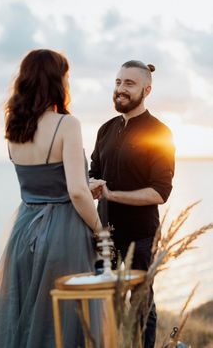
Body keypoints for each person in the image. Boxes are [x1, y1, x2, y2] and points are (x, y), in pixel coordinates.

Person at [0, 49, 104, 348]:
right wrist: (100, 230)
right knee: (65, 319)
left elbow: (45, 181)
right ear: (57, 81)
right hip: (63, 233)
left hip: (23, 232)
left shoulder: (14, 128)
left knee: (24, 317)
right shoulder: (66, 124)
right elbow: (74, 192)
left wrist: (86, 184)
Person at [89, 60, 175, 348]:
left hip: (141, 236)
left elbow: (159, 192)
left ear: (146, 90)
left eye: (129, 84)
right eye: (117, 82)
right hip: (104, 237)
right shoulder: (105, 129)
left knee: (141, 306)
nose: (120, 90)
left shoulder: (160, 133)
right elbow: (94, 175)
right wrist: (90, 186)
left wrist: (110, 194)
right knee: (106, 305)